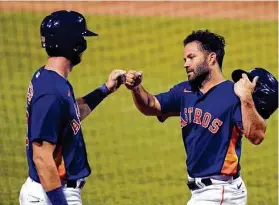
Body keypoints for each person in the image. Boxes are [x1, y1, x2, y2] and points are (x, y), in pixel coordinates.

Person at [124, 30, 267, 205]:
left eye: (191, 57)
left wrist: (246, 99)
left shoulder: (232, 95)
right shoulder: (185, 91)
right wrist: (136, 88)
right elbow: (151, 105)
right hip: (201, 193)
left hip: (221, 191)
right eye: (185, 59)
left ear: (211, 58)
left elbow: (257, 136)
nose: (186, 64)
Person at [19, 10, 126, 205]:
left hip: (50, 191)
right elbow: (42, 157)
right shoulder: (51, 93)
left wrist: (104, 90)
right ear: (75, 44)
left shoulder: (49, 77)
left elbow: (69, 116)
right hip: (51, 194)